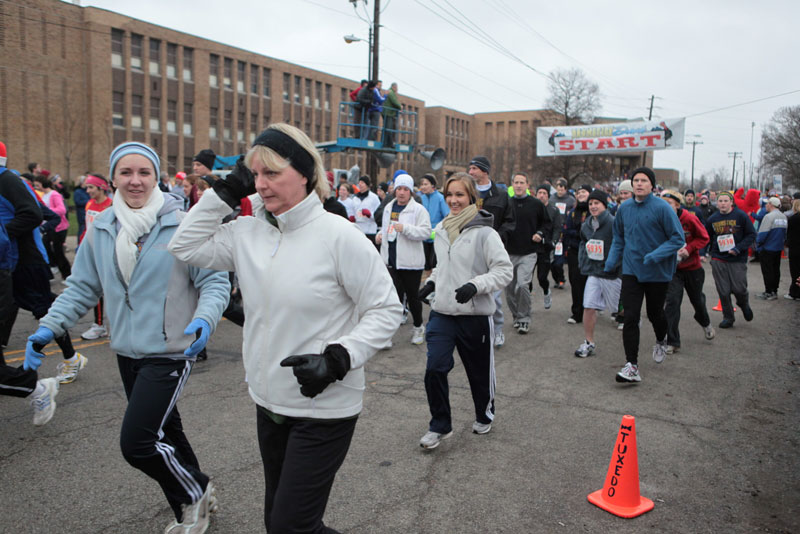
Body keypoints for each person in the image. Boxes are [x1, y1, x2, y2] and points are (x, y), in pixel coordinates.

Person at [168, 123, 400, 532]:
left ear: (307, 173)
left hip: (325, 405)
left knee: (291, 525)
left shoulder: (338, 236)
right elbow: (184, 246)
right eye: (255, 175)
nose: (261, 184)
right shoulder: (246, 232)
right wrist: (222, 195)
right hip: (269, 402)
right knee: (280, 523)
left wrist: (338, 358)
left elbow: (386, 310)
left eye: (272, 173)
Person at [26, 141, 230, 533]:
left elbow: (215, 281)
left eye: (144, 173)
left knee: (137, 443)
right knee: (167, 430)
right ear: (113, 178)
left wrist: (205, 319)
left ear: (157, 178)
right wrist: (46, 329)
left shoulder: (184, 222)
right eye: (126, 173)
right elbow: (81, 287)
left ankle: (196, 492)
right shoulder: (101, 228)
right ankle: (193, 506)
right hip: (126, 350)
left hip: (172, 349)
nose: (135, 181)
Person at [416, 173, 512, 449]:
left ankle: (484, 413)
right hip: (443, 313)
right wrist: (431, 282)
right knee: (434, 368)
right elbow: (443, 266)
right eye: (450, 194)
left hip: (475, 317)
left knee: (479, 374)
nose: (453, 200)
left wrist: (476, 285)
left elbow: (504, 271)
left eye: (459, 195)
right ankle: (439, 425)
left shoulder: (485, 232)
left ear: (471, 197)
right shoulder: (442, 228)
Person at [604, 167, 685, 383]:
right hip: (631, 270)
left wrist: (655, 255)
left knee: (655, 313)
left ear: (652, 185)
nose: (639, 184)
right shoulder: (625, 208)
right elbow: (619, 238)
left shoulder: (662, 208)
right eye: (636, 180)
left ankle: (661, 338)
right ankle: (632, 365)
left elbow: (678, 239)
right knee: (630, 316)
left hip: (657, 271)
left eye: (644, 180)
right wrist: (611, 261)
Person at [376, 173, 431, 345]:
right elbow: (387, 229)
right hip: (391, 260)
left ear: (410, 192)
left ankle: (418, 327)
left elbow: (426, 232)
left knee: (413, 297)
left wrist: (405, 228)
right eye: (399, 188)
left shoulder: (418, 210)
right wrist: (380, 235)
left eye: (405, 189)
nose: (401, 192)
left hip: (411, 263)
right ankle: (388, 335)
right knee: (393, 299)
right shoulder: (389, 208)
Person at [466, 156, 514, 347]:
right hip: (470, 249)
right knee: (472, 290)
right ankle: (476, 331)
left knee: (493, 295)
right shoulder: (468, 192)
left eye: (474, 168)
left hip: (494, 251)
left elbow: (510, 222)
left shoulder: (501, 195)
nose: (470, 172)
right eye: (469, 169)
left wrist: (497, 238)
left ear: (484, 171)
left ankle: (498, 330)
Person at [660, 190, 714, 354]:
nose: (665, 207)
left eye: (669, 204)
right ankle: (673, 341)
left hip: (692, 268)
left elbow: (704, 237)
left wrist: (689, 249)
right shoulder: (660, 220)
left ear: (677, 204)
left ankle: (705, 322)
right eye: (663, 204)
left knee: (697, 301)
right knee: (672, 303)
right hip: (673, 270)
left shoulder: (689, 218)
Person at [574, 189, 621, 357]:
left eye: (597, 203)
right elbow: (583, 243)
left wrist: (615, 265)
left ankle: (632, 323)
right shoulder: (587, 224)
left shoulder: (614, 222)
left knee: (618, 310)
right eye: (591, 204)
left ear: (605, 205)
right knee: (589, 306)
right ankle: (589, 342)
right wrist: (583, 261)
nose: (593, 206)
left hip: (611, 274)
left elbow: (621, 244)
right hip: (594, 272)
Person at [705, 191, 756, 328]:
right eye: (720, 201)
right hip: (718, 257)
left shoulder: (741, 216)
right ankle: (728, 317)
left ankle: (743, 303)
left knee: (739, 288)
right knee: (723, 290)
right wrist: (702, 253)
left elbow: (751, 234)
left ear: (731, 202)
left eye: (725, 201)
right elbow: (706, 237)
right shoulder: (712, 219)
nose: (722, 203)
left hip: (737, 258)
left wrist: (738, 248)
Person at [505, 173, 548, 334]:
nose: (518, 185)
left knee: (522, 285)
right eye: (516, 182)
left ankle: (524, 318)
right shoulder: (507, 204)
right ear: (512, 185)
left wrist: (540, 233)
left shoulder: (536, 204)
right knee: (509, 289)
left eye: (521, 182)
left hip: (529, 252)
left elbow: (546, 223)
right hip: (509, 253)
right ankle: (516, 316)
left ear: (527, 185)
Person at [79, 174, 113, 341]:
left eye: (91, 187)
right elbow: (87, 229)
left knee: (115, 289)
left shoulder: (112, 205)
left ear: (101, 188)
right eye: (87, 187)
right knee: (97, 289)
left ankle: (115, 325)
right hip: (93, 252)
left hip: (110, 253)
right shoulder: (89, 204)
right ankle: (99, 325)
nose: (88, 191)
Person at [32, 174, 71, 281]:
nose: (36, 188)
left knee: (58, 252)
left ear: (43, 184)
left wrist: (48, 212)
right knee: (46, 247)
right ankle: (53, 267)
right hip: (49, 227)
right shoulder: (44, 195)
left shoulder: (54, 195)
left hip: (59, 227)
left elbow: (62, 210)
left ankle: (67, 275)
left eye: (37, 185)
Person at [564, 184, 592, 324]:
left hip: (591, 252)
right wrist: (580, 233)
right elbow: (568, 230)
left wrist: (580, 233)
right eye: (579, 192)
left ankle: (589, 309)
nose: (581, 194)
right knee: (575, 281)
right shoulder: (573, 212)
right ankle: (576, 312)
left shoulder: (594, 210)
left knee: (589, 282)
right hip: (575, 251)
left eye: (584, 192)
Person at [754, 197, 788, 300]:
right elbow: (785, 234)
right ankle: (774, 290)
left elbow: (762, 234)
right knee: (776, 270)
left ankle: (768, 291)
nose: (765, 205)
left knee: (767, 270)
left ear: (771, 204)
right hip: (778, 248)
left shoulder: (768, 217)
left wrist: (758, 243)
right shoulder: (783, 217)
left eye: (767, 204)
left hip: (767, 248)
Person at [534, 184, 561, 310]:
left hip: (546, 247)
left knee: (542, 277)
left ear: (548, 196)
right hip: (532, 246)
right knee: (526, 278)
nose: (542, 195)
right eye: (540, 192)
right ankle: (527, 301)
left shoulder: (554, 210)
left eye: (544, 193)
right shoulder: (532, 208)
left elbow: (557, 228)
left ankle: (546, 291)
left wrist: (554, 242)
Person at [419, 173, 449, 272]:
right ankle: (428, 284)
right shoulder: (420, 199)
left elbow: (447, 216)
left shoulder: (440, 198)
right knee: (425, 264)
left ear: (432, 185)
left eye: (425, 184)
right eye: (422, 184)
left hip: (436, 236)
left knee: (434, 264)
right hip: (423, 236)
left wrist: (438, 229)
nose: (423, 187)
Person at [351, 176, 381, 245]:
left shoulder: (374, 198)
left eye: (362, 183)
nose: (360, 184)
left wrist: (370, 214)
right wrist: (352, 217)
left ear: (367, 185)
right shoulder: (355, 198)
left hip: (370, 231)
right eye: (359, 182)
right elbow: (353, 211)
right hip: (358, 229)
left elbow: (379, 214)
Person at [785, 199, 800, 300]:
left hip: (795, 248)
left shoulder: (793, 219)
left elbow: (789, 233)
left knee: (795, 271)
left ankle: (794, 292)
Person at [381, 82, 401, 148]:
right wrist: (400, 106)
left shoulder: (390, 92)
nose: (397, 90)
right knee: (389, 128)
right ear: (394, 87)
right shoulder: (391, 92)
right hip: (388, 113)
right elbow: (394, 101)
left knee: (387, 128)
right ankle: (388, 143)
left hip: (387, 112)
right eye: (397, 88)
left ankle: (386, 142)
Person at [73, 175, 90, 243]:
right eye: (86, 181)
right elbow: (78, 202)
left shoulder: (87, 190)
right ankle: (79, 244)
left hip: (88, 213)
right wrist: (89, 202)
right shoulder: (78, 191)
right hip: (81, 214)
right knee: (82, 229)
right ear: (82, 182)